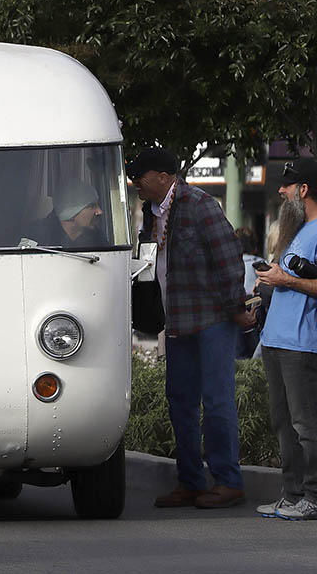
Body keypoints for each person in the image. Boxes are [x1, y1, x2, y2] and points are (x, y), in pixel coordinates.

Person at [127, 147, 252, 510]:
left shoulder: (200, 205)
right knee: (180, 401)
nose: (137, 182)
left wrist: (235, 308)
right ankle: (192, 481)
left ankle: (229, 481)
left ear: (164, 177)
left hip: (212, 319)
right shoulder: (151, 214)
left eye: (142, 176)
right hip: (178, 322)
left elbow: (229, 260)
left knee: (216, 402)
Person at [252, 158, 317, 520]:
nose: (280, 190)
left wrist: (286, 280)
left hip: (303, 343)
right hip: (277, 340)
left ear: (303, 190)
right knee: (283, 424)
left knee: (306, 426)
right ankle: (292, 496)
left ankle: (313, 497)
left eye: (287, 185)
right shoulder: (298, 232)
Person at [23, 180, 105, 248]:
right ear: (71, 211)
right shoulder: (37, 234)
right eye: (92, 206)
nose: (100, 211)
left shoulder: (97, 237)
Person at [235, 227, 263, 359]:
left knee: (238, 351)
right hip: (255, 307)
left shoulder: (233, 264)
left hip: (237, 308)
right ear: (255, 246)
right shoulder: (260, 263)